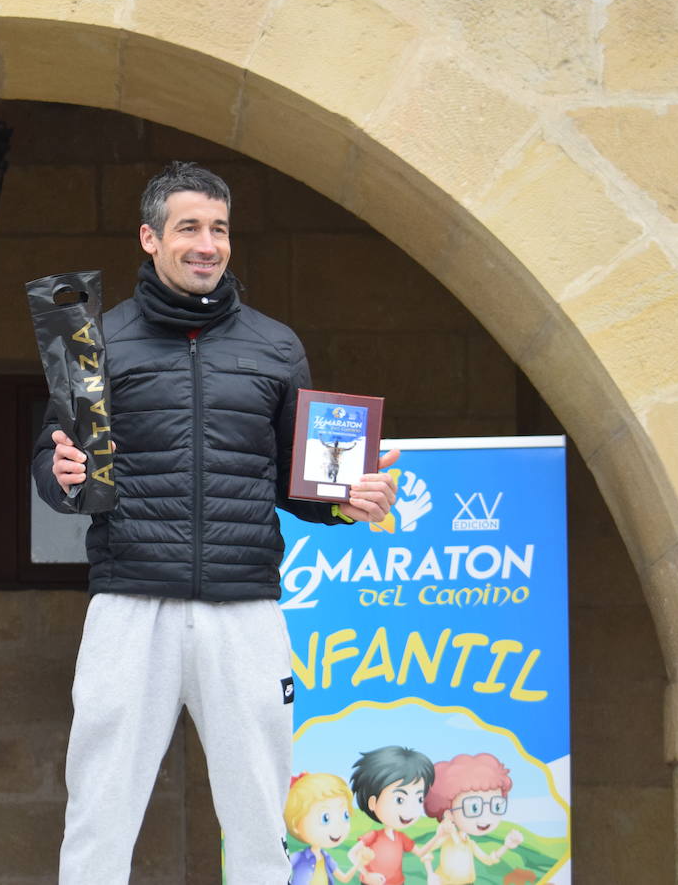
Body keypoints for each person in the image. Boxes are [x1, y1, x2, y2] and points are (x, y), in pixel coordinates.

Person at [33, 161, 399, 883]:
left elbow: (299, 483)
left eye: (219, 229)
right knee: (99, 809)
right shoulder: (95, 342)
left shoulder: (275, 346)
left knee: (262, 811)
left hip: (244, 606)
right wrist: (60, 476)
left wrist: (345, 500)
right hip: (130, 601)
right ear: (150, 237)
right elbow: (52, 465)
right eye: (189, 227)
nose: (207, 244)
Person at [419, 753, 525, 885]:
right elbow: (424, 852)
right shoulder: (446, 838)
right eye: (474, 807)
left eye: (496, 806)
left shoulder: (469, 843)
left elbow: (488, 859)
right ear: (449, 813)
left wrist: (506, 846)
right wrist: (431, 875)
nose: (486, 817)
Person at [349, 746, 437, 885]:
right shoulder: (373, 836)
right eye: (399, 800)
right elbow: (352, 854)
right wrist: (366, 874)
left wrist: (439, 835)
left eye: (419, 799)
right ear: (373, 803)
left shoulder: (401, 838)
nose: (411, 809)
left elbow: (421, 853)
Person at [285, 772, 375, 885]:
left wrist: (359, 863)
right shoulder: (298, 857)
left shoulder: (327, 858)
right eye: (325, 818)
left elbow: (344, 878)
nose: (338, 826)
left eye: (345, 815)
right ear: (296, 823)